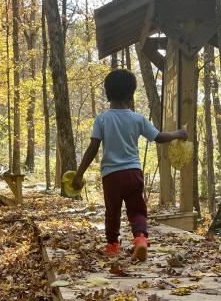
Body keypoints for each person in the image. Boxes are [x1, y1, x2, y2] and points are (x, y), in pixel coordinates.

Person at [72, 68, 187, 261]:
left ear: (108, 94)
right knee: (137, 210)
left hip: (111, 176)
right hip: (134, 173)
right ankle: (140, 238)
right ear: (131, 95)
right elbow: (159, 137)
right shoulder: (137, 118)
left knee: (112, 212)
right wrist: (178, 134)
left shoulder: (102, 119)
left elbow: (93, 147)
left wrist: (79, 174)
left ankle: (112, 245)